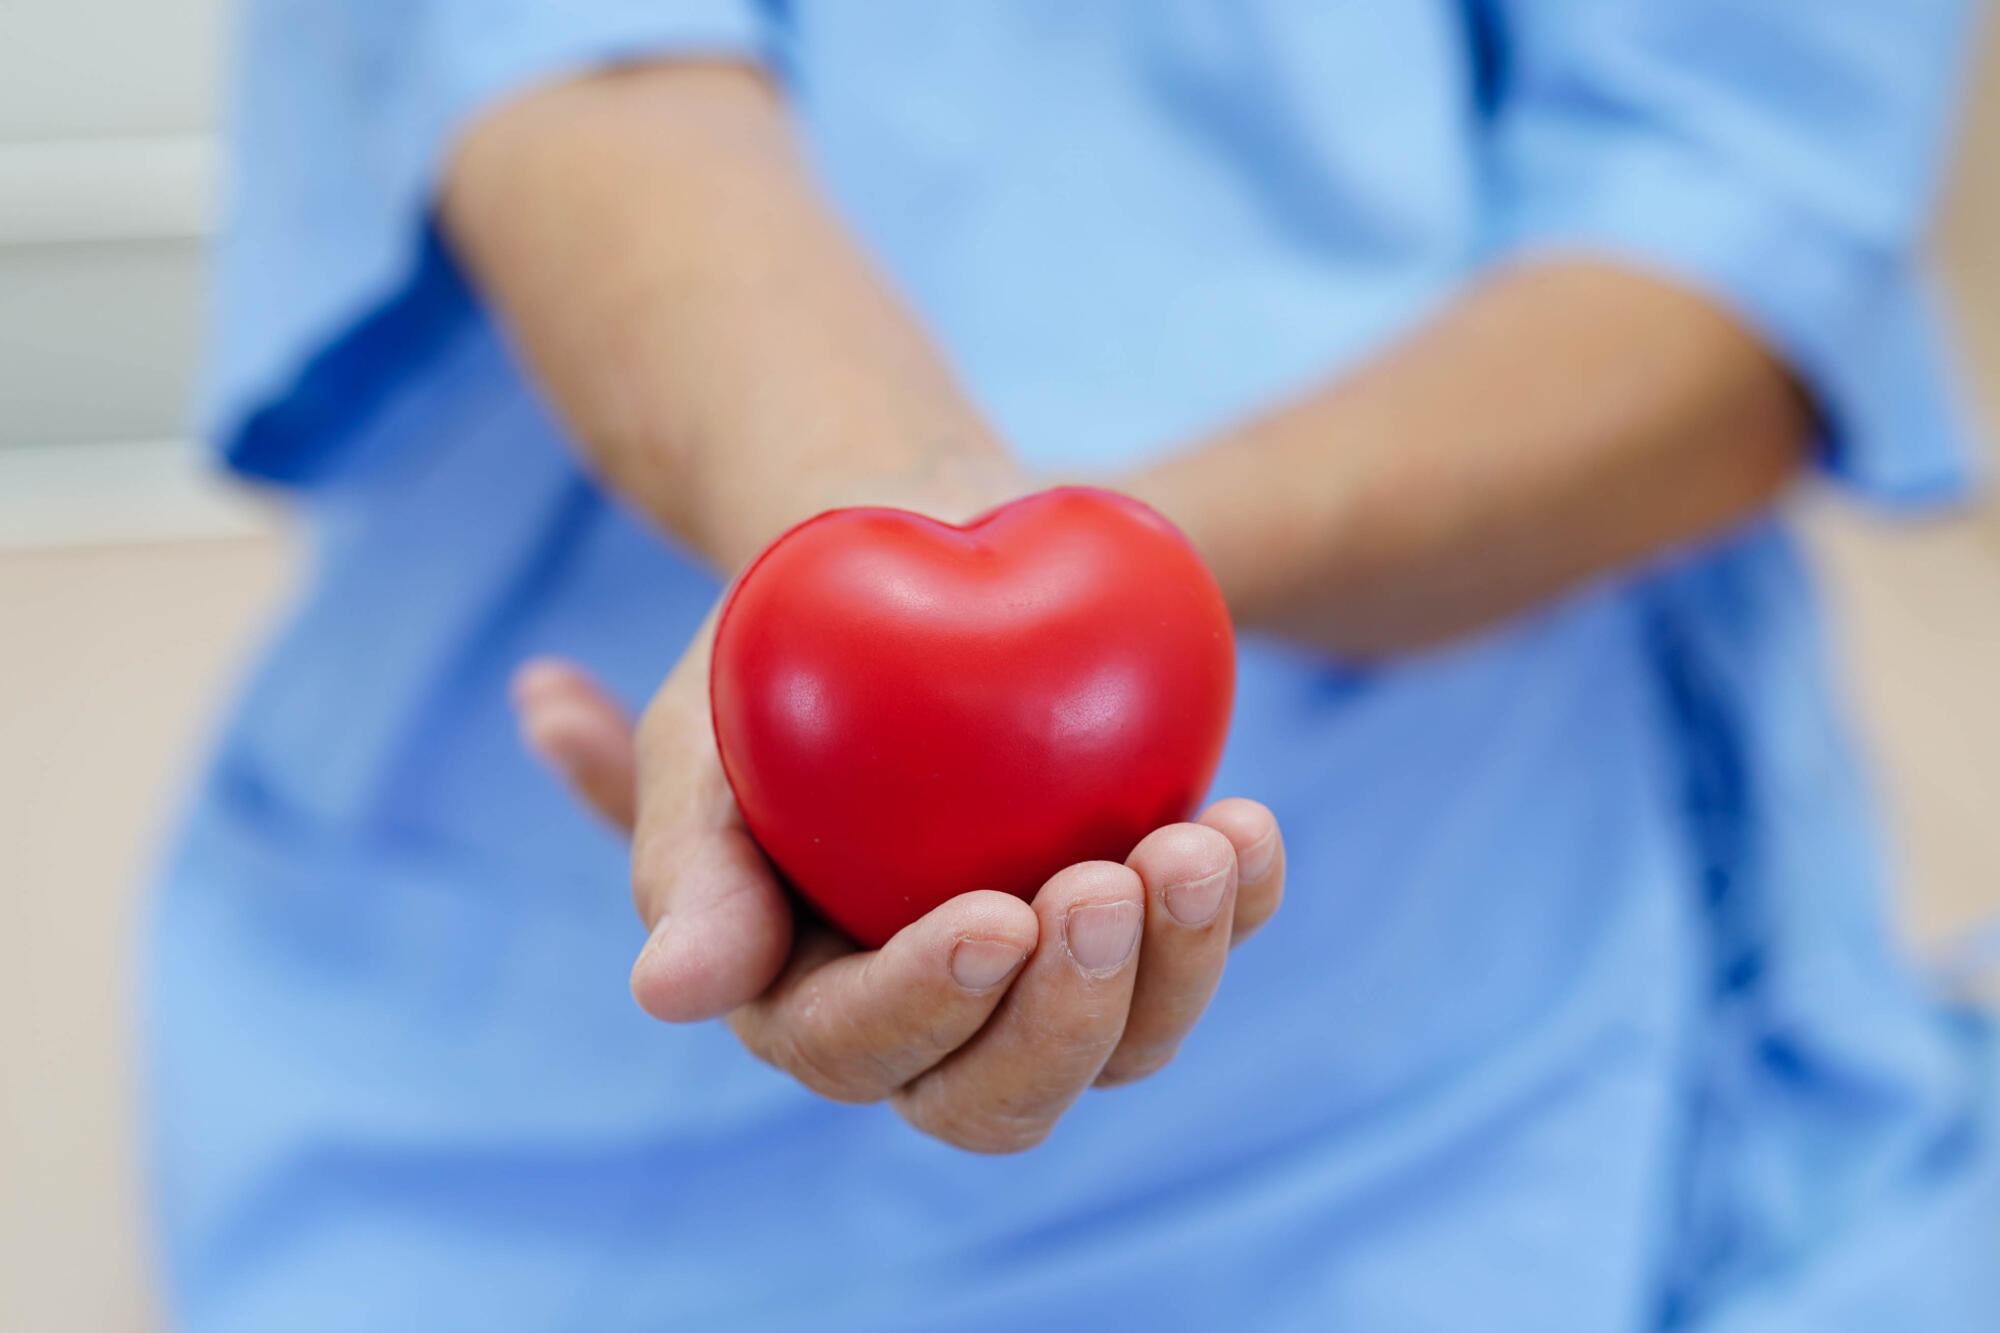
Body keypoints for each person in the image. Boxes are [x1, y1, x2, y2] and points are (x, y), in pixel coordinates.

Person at [152, 2, 1998, 1328]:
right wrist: (863, 516)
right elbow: (575, 68)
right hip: (526, 971)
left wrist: (1098, 564)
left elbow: (1732, 248)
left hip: (1480, 963)